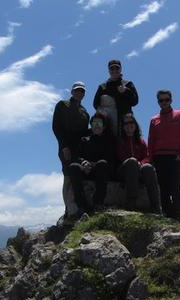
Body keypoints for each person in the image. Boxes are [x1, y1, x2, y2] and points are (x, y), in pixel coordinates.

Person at [147, 90, 180, 224]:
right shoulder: (154, 120)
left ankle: (177, 219)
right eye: (161, 100)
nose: (164, 102)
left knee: (175, 188)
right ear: (158, 102)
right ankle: (167, 218)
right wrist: (151, 159)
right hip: (159, 158)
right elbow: (151, 141)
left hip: (174, 157)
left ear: (171, 100)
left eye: (166, 100)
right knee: (163, 189)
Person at [52, 81, 90, 223]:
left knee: (77, 176)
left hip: (79, 149)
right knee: (68, 177)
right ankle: (70, 211)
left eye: (82, 91)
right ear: (72, 91)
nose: (79, 93)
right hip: (66, 148)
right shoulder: (62, 105)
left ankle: (76, 209)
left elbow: (85, 133)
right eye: (77, 90)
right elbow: (56, 127)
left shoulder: (85, 112)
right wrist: (63, 146)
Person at [69, 113, 114, 215]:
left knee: (102, 164)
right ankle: (81, 205)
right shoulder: (84, 139)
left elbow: (110, 158)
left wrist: (93, 164)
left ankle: (98, 203)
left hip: (100, 170)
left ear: (104, 126)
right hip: (85, 169)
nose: (96, 125)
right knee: (73, 167)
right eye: (94, 123)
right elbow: (77, 156)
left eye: (99, 123)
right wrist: (83, 162)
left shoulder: (109, 141)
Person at [117, 113, 162, 213]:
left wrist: (141, 163)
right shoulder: (120, 141)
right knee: (132, 162)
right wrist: (135, 162)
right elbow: (121, 157)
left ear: (135, 125)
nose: (129, 125)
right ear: (123, 127)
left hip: (139, 170)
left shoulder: (141, 142)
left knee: (148, 167)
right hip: (124, 171)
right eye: (126, 123)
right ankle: (131, 202)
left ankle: (156, 206)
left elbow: (147, 156)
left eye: (131, 122)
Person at [93, 59, 139, 138]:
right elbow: (95, 104)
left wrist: (126, 91)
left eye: (117, 68)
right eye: (112, 68)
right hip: (109, 125)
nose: (114, 70)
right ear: (108, 70)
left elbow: (135, 101)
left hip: (125, 125)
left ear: (121, 69)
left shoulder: (127, 84)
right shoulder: (103, 87)